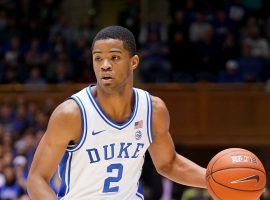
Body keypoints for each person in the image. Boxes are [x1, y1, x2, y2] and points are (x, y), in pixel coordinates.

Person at [27, 25, 206, 200]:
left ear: (133, 62)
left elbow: (169, 164)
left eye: (114, 57)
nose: (105, 65)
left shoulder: (153, 110)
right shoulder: (71, 114)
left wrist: (214, 180)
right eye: (98, 58)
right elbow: (37, 179)